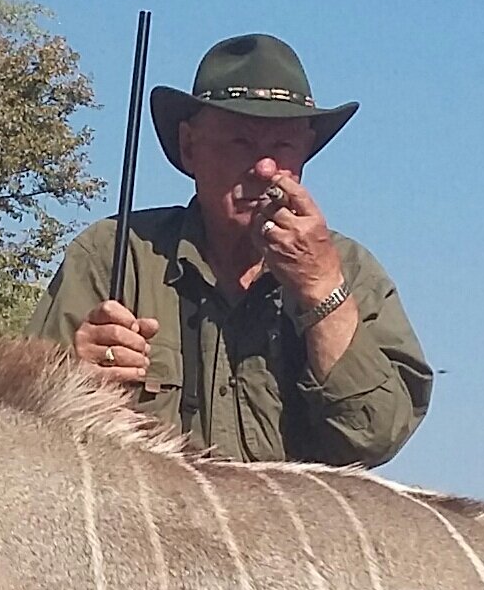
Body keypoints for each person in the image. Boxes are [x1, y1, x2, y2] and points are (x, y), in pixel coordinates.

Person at [28, 32, 431, 466]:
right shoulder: (111, 256)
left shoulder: (352, 270)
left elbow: (377, 436)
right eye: (240, 142)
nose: (264, 168)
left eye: (283, 145)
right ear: (189, 146)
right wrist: (72, 376)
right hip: (145, 527)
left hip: (296, 529)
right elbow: (23, 429)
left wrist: (321, 289)